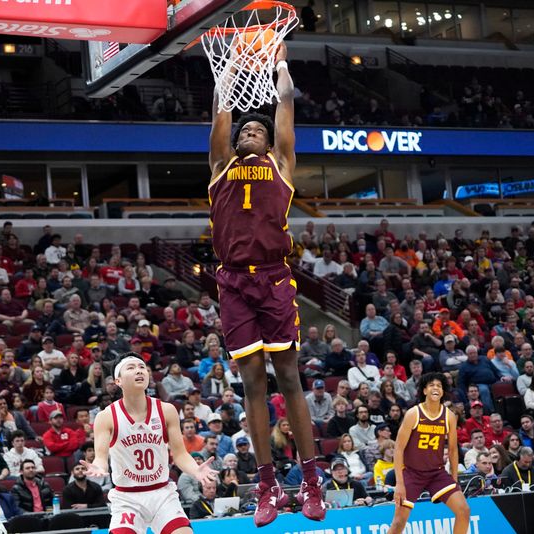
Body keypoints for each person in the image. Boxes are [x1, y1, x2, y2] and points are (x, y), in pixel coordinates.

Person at [207, 41, 324, 526]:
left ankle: (313, 482)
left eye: (258, 129)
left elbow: (287, 103)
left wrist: (277, 63)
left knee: (290, 378)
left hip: (274, 279)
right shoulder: (220, 168)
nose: (251, 131)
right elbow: (220, 107)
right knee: (253, 383)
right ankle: (268, 485)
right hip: (234, 283)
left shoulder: (280, 163)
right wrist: (232, 67)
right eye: (245, 130)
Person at [82, 354, 216, 534]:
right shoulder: (106, 417)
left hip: (162, 494)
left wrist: (195, 469)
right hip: (127, 498)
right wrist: (97, 467)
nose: (138, 370)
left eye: (142, 367)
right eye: (131, 368)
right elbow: (100, 457)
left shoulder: (166, 410)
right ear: (118, 381)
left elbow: (180, 454)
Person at [387, 372, 470, 534]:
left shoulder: (449, 417)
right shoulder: (413, 414)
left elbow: (453, 450)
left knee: (464, 510)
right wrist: (400, 484)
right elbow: (398, 449)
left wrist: (454, 480)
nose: (435, 388)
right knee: (398, 523)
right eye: (431, 385)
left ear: (443, 391)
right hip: (411, 473)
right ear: (424, 391)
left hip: (436, 473)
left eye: (439, 385)